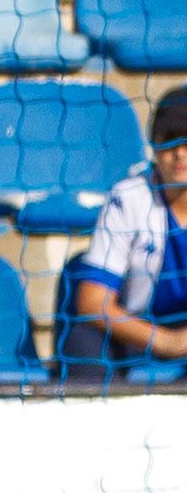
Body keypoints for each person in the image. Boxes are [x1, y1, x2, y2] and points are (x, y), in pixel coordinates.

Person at [59, 86, 187, 383]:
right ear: (154, 147)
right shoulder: (128, 197)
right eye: (170, 140)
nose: (180, 153)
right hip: (130, 333)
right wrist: (166, 341)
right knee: (82, 343)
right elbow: (93, 302)